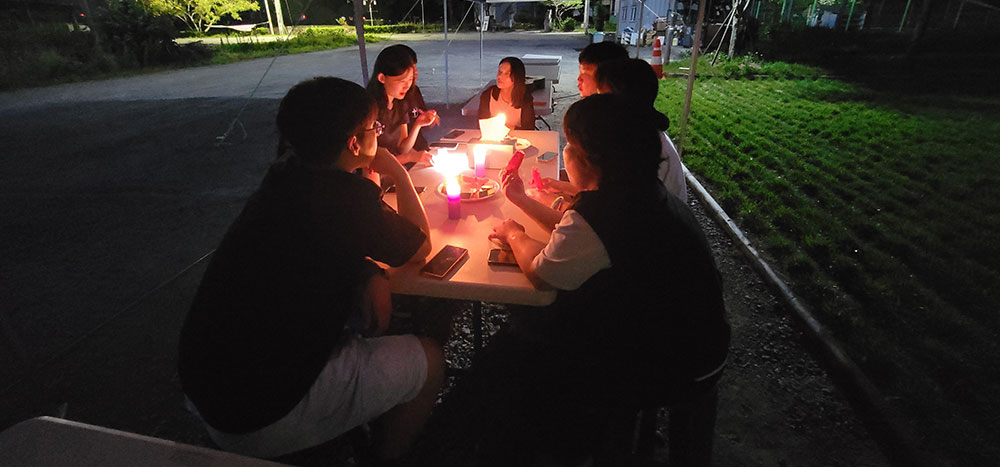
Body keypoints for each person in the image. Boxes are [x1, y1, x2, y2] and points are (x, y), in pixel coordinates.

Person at [413, 94, 730, 466]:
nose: (564, 154)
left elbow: (542, 272)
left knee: (522, 340)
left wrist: (514, 234)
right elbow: (574, 232)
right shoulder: (636, 192)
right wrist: (520, 200)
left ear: (588, 160)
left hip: (671, 357)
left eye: (569, 147)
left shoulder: (606, 213)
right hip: (698, 336)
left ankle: (520, 438)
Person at [178, 77, 444, 463]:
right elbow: (421, 248)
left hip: (208, 388)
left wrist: (367, 271)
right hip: (264, 411)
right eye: (375, 127)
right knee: (431, 360)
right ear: (355, 143)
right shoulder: (345, 197)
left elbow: (301, 243)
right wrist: (397, 171)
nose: (379, 133)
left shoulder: (282, 179)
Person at [596, 57, 687, 202]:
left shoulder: (646, 149)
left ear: (626, 102)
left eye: (602, 98)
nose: (597, 105)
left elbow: (620, 205)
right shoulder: (636, 130)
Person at [367, 44, 439, 165]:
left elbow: (402, 148)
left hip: (396, 168)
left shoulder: (400, 103)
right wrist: (410, 157)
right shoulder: (370, 109)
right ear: (382, 78)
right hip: (379, 173)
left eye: (410, 79)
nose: (407, 86)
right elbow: (371, 162)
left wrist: (418, 125)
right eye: (401, 81)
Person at [477, 56, 535, 130]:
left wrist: (510, 128)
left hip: (518, 136)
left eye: (506, 73)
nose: (499, 77)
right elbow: (481, 124)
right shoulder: (488, 95)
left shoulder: (525, 99)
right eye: (500, 72)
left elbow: (529, 128)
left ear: (516, 77)